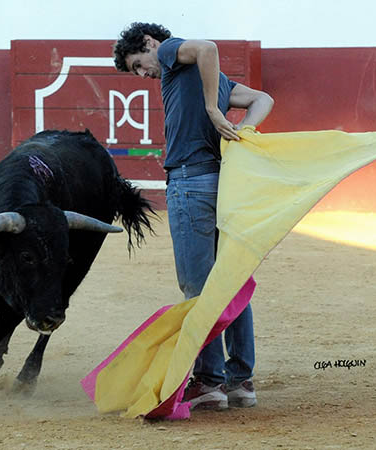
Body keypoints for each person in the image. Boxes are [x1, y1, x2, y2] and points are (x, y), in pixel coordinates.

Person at [113, 22, 274, 411]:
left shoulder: (169, 51)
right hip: (223, 186)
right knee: (232, 281)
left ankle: (209, 381)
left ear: (149, 43)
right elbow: (263, 98)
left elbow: (207, 47)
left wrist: (213, 111)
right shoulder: (212, 80)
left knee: (199, 288)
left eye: (138, 64)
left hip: (190, 184)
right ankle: (241, 381)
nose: (143, 74)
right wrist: (242, 129)